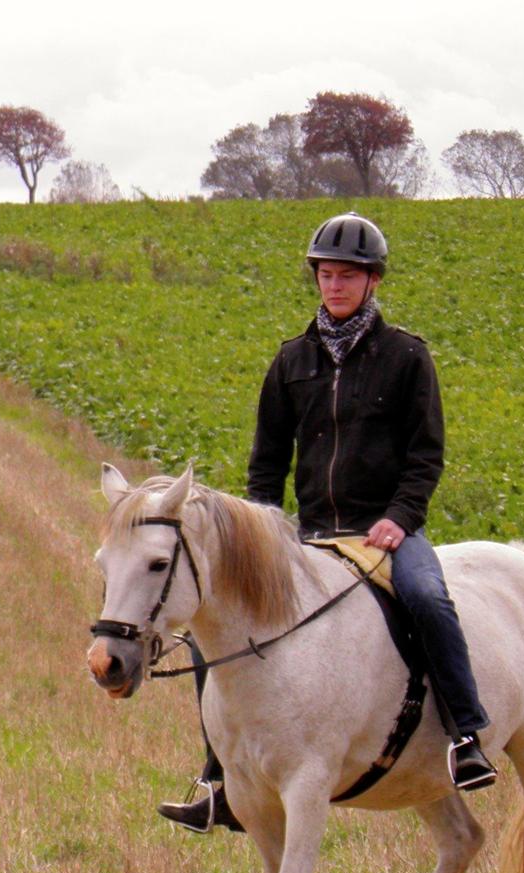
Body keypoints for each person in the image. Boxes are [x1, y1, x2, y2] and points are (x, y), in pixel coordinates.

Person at [158, 212, 497, 834]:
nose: (333, 286)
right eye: (325, 274)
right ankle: (218, 778)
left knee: (428, 597)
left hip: (384, 533)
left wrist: (400, 520)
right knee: (214, 623)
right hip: (310, 535)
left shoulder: (405, 358)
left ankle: (465, 735)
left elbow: (425, 456)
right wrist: (263, 529)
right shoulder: (291, 361)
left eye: (347, 276)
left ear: (373, 282)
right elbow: (266, 464)